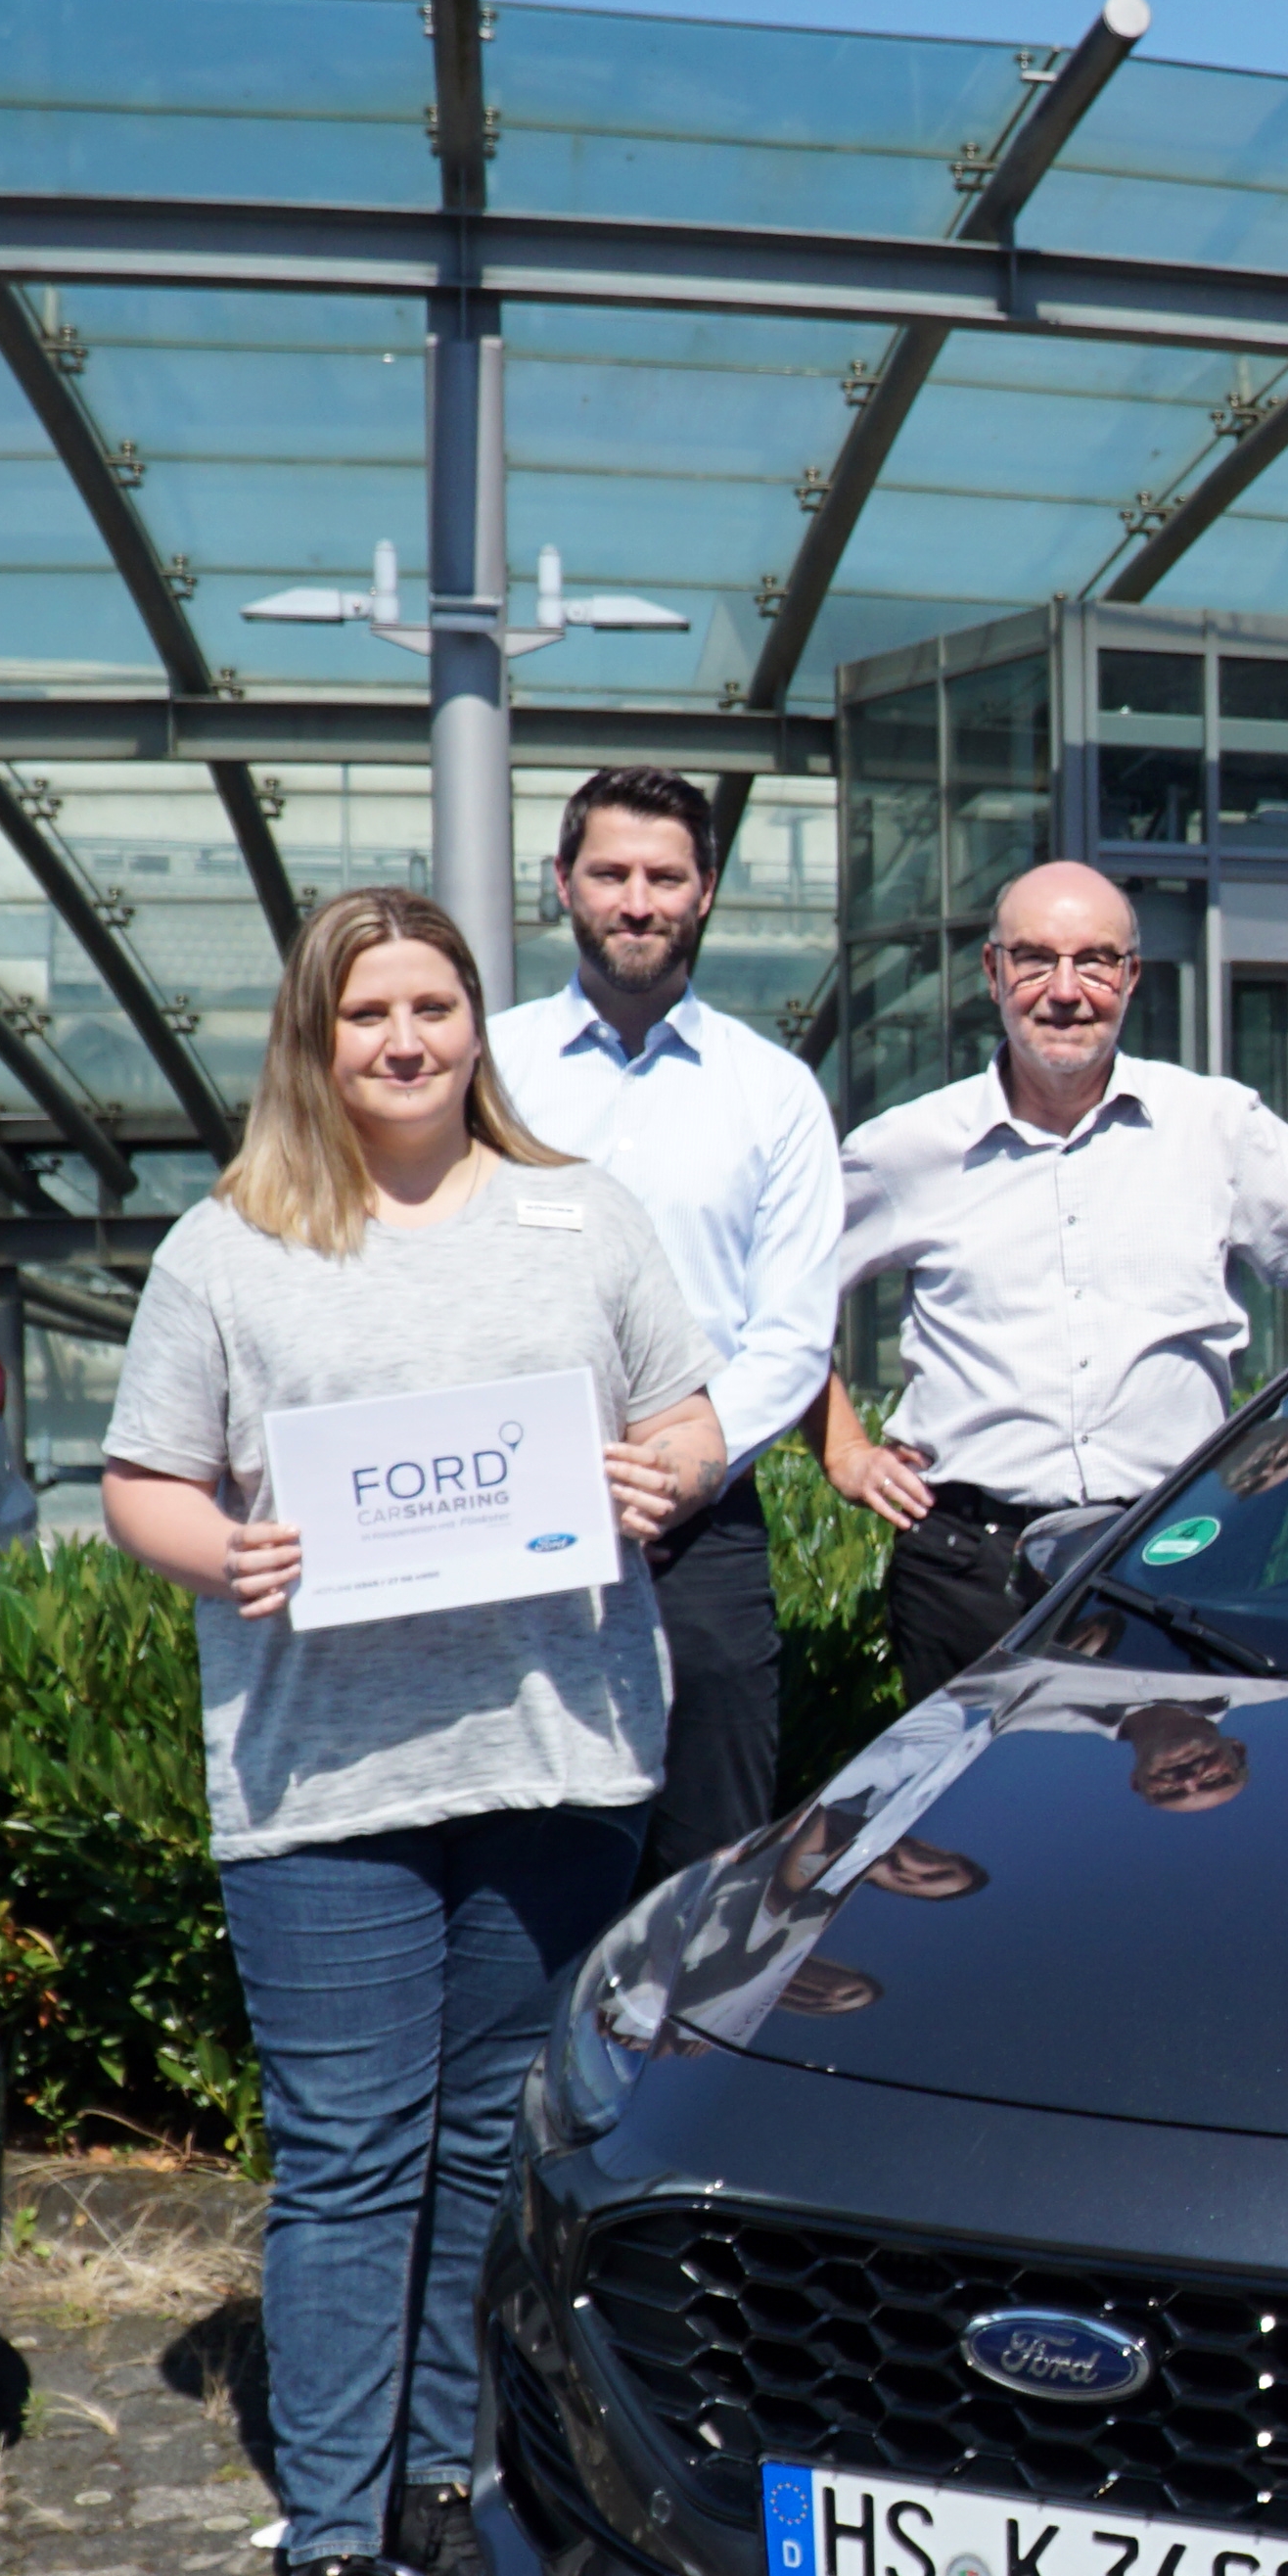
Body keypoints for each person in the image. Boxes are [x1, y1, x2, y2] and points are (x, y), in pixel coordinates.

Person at [101, 886, 725, 2576]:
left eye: (434, 1004)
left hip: (556, 1750)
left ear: (476, 1023)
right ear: (316, 1033)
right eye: (367, 1009)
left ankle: (446, 2487)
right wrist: (233, 1548)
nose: (404, 1038)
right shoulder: (232, 1246)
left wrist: (656, 1476)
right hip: (330, 1779)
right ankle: (331, 2546)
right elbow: (142, 1481)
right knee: (353, 2155)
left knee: (478, 2147)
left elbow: (687, 1422)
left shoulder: (580, 1215)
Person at [825, 861, 1288, 1695]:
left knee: (1166, 1817)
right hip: (967, 1568)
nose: (1066, 990)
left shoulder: (1213, 1124)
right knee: (981, 1821)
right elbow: (783, 1300)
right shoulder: (905, 1148)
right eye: (1035, 959)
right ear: (993, 973)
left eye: (1095, 960)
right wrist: (843, 1450)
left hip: (1165, 1556)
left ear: (1130, 979)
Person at [488, 767, 845, 1876]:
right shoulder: (482, 1070)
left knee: (713, 1871)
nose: (635, 900)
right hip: (505, 1516)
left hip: (702, 1530)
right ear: (561, 884)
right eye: (609, 873)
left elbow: (792, 1330)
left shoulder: (773, 1090)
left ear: (705, 891)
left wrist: (682, 1466)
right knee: (523, 1860)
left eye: (663, 876)